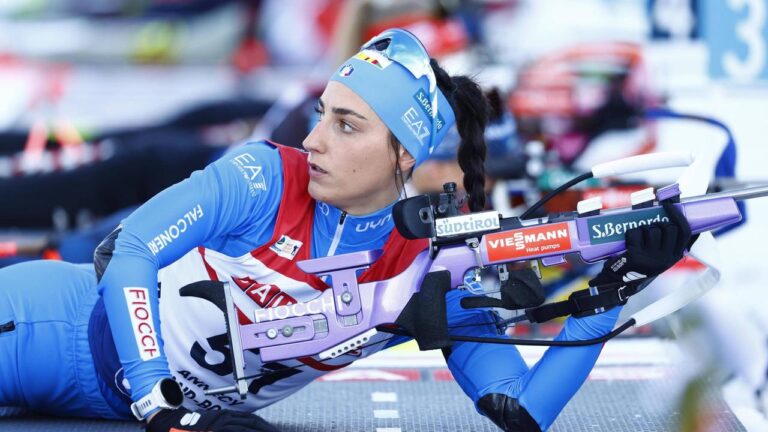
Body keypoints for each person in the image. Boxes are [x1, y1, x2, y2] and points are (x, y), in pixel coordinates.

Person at [0, 28, 692, 432]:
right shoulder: (263, 177)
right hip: (41, 332)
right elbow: (129, 254)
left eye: (345, 124)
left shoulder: (425, 263)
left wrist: (609, 296)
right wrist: (162, 402)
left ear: (404, 154)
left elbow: (520, 413)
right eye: (324, 113)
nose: (314, 137)